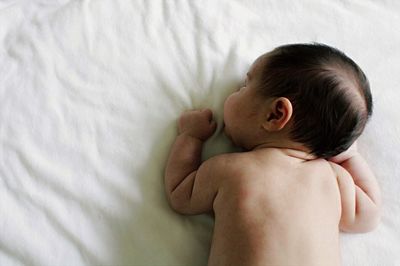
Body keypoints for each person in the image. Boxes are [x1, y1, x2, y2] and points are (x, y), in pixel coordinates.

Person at [164, 43, 381, 266]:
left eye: (244, 86)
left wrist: (191, 137)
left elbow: (181, 194)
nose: (235, 90)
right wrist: (350, 158)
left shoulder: (230, 169)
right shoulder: (332, 179)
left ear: (275, 114)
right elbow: (370, 215)